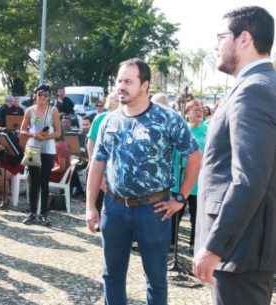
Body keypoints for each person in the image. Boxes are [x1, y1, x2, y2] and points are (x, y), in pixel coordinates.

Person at [86, 58, 202, 305]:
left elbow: (194, 157)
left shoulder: (167, 119)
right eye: (119, 81)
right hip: (115, 208)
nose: (121, 86)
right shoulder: (109, 120)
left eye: (128, 81)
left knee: (156, 279)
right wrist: (90, 206)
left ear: (145, 85)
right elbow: (96, 164)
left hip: (154, 210)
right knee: (111, 275)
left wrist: (180, 198)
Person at [194, 7, 276, 305]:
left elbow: (250, 178)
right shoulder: (260, 86)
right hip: (246, 248)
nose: (217, 45)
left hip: (240, 251)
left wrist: (216, 246)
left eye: (221, 37)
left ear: (244, 39)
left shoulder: (252, 91)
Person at [20, 84, 62, 226]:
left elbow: (58, 132)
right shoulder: (29, 111)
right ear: (35, 96)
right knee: (33, 181)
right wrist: (34, 134)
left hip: (48, 148)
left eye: (45, 95)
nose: (42, 98)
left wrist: (46, 137)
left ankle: (44, 213)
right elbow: (22, 130)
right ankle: (32, 213)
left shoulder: (53, 110)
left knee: (44, 181)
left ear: (49, 97)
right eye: (40, 95)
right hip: (32, 147)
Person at [171, 99, 207, 250]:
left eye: (200, 109)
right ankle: (171, 243)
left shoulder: (208, 130)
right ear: (187, 113)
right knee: (175, 214)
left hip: (199, 181)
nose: (199, 111)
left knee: (197, 215)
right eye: (194, 109)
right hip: (181, 178)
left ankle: (194, 244)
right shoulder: (182, 130)